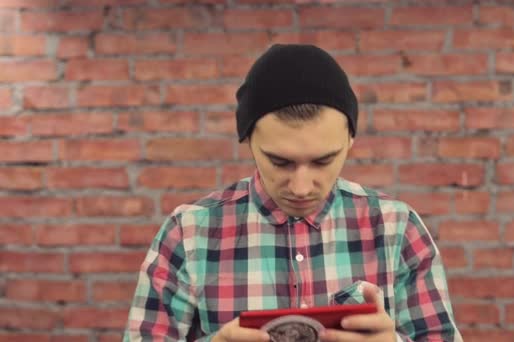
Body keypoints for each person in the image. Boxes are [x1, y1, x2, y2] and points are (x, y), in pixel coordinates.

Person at [123, 44, 462, 342]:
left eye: (324, 161)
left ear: (350, 140)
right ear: (248, 140)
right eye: (280, 162)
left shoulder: (397, 228)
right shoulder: (189, 233)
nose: (301, 188)